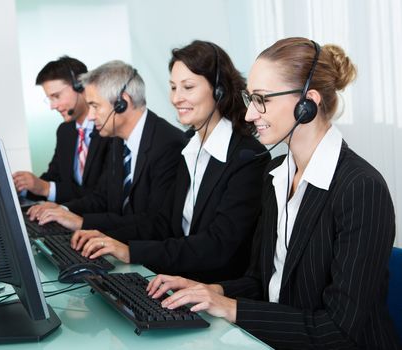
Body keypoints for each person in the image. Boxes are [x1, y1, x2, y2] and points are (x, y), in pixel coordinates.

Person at [147, 37, 401, 349]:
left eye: (262, 99)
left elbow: (338, 330)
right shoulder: (276, 173)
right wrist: (211, 290)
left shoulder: (361, 189)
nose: (250, 114)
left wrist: (231, 308)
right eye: (249, 98)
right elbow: (261, 281)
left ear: (308, 102)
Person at [70, 40, 269, 283]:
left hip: (214, 291)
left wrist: (131, 251)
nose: (176, 98)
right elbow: (164, 222)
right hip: (177, 280)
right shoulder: (190, 146)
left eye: (188, 87)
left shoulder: (247, 157)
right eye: (173, 88)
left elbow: (217, 246)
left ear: (219, 90)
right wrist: (106, 238)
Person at [27, 60, 186, 232]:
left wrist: (83, 224)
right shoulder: (118, 140)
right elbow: (102, 198)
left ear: (122, 103)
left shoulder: (168, 144)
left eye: (95, 106)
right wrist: (63, 211)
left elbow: (156, 223)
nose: (92, 116)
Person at [12, 56, 110, 204]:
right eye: (50, 99)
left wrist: (45, 188)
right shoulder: (65, 131)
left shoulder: (108, 129)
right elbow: (54, 177)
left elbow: (103, 195)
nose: (53, 106)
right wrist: (25, 187)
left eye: (56, 96)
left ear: (80, 86)